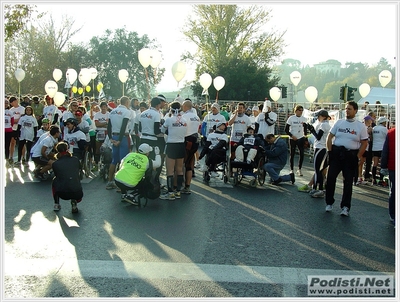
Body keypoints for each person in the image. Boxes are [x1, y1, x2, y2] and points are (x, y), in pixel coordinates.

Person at [325, 101, 368, 216]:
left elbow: (364, 143)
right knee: (330, 178)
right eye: (346, 109)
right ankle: (329, 202)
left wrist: (358, 155)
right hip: (337, 153)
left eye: (349, 109)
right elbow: (329, 137)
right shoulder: (339, 123)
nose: (347, 111)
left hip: (350, 156)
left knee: (348, 181)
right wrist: (330, 152)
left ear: (355, 111)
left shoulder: (360, 126)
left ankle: (345, 207)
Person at [159, 101, 188, 200]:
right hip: (181, 145)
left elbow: (162, 131)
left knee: (170, 170)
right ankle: (178, 191)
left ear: (171, 109)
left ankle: (170, 192)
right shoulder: (184, 120)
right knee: (179, 169)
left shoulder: (169, 120)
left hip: (171, 145)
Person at [105, 96, 132, 190]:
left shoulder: (112, 111)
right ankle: (120, 185)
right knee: (123, 161)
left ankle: (110, 181)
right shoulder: (127, 112)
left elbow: (109, 126)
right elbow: (124, 126)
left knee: (114, 160)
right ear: (127, 102)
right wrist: (120, 140)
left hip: (114, 136)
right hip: (123, 137)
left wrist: (111, 138)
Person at [305, 110, 331, 198]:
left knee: (317, 170)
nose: (318, 118)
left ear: (322, 116)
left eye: (319, 116)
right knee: (318, 170)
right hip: (321, 147)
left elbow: (318, 137)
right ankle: (317, 188)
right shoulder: (325, 124)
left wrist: (311, 130)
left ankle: (318, 189)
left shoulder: (324, 124)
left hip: (320, 147)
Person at [52, 141, 83, 213]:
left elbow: (57, 176)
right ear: (67, 149)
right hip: (77, 192)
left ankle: (56, 204)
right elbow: (80, 170)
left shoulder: (55, 164)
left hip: (62, 193)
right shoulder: (75, 159)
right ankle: (74, 202)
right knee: (73, 179)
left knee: (55, 180)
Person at [181, 99, 201, 194]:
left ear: (185, 107)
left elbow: (182, 128)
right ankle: (187, 186)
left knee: (182, 163)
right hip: (195, 140)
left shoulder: (184, 116)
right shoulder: (196, 117)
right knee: (189, 163)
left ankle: (180, 185)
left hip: (187, 140)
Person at [285, 105, 307, 176]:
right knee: (292, 153)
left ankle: (299, 169)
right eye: (299, 110)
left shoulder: (304, 119)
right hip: (293, 138)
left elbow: (305, 129)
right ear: (296, 111)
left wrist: (305, 137)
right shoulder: (291, 118)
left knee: (302, 153)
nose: (300, 112)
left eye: (302, 110)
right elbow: (286, 130)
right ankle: (291, 169)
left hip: (300, 137)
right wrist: (292, 136)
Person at [380, 127, 395, 227]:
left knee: (394, 191)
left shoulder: (391, 132)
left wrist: (384, 166)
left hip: (393, 166)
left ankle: (393, 214)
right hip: (393, 165)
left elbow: (385, 151)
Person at [355, 115, 374, 185]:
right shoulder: (363, 127)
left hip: (366, 147)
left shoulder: (368, 128)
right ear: (367, 121)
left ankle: (359, 177)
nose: (371, 122)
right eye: (370, 120)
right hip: (362, 147)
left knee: (362, 162)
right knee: (359, 162)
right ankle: (355, 177)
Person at [9, 96, 26, 165]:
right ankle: (11, 157)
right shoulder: (11, 110)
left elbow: (22, 118)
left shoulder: (22, 109)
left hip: (21, 128)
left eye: (16, 101)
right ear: (11, 103)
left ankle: (23, 157)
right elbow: (10, 120)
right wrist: (14, 121)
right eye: (13, 102)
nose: (15, 102)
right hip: (13, 128)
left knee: (22, 143)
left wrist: (15, 121)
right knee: (12, 143)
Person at [371, 116, 388, 185]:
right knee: (382, 164)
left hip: (375, 147)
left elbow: (372, 137)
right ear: (383, 122)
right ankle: (381, 180)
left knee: (374, 164)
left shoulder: (374, 128)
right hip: (382, 148)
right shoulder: (385, 129)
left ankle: (373, 179)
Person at [93, 101, 109, 170]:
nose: (103, 108)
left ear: (106, 107)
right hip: (99, 132)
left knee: (107, 148)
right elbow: (97, 124)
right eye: (102, 107)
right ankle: (96, 164)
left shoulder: (109, 114)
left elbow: (109, 124)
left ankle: (106, 162)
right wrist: (105, 123)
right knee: (98, 148)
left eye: (105, 107)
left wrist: (102, 124)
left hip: (107, 132)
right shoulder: (97, 115)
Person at [4, 98, 14, 167]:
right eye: (4, 103)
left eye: (6, 103)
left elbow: (12, 122)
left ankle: (7, 160)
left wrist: (9, 127)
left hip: (8, 131)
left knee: (7, 146)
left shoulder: (10, 112)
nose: (5, 104)